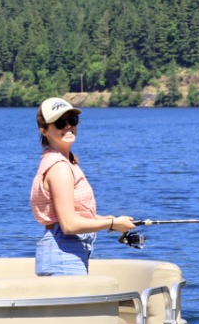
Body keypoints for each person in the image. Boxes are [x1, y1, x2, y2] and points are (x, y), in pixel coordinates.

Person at [30, 98, 135, 275]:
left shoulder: (61, 161)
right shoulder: (60, 167)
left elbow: (68, 213)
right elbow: (69, 225)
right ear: (44, 130)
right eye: (60, 122)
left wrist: (102, 220)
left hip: (65, 252)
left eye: (72, 120)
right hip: (64, 255)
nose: (68, 126)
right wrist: (113, 223)